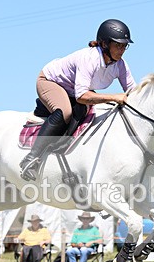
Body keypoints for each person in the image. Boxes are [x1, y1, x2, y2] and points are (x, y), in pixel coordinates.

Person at [20, 19, 136, 181]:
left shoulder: (120, 65)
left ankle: (64, 154)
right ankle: (30, 159)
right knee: (65, 112)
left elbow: (132, 92)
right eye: (118, 45)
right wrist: (113, 97)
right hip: (50, 81)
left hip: (72, 89)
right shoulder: (89, 59)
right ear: (104, 44)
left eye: (124, 46)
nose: (122, 50)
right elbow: (82, 96)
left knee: (87, 111)